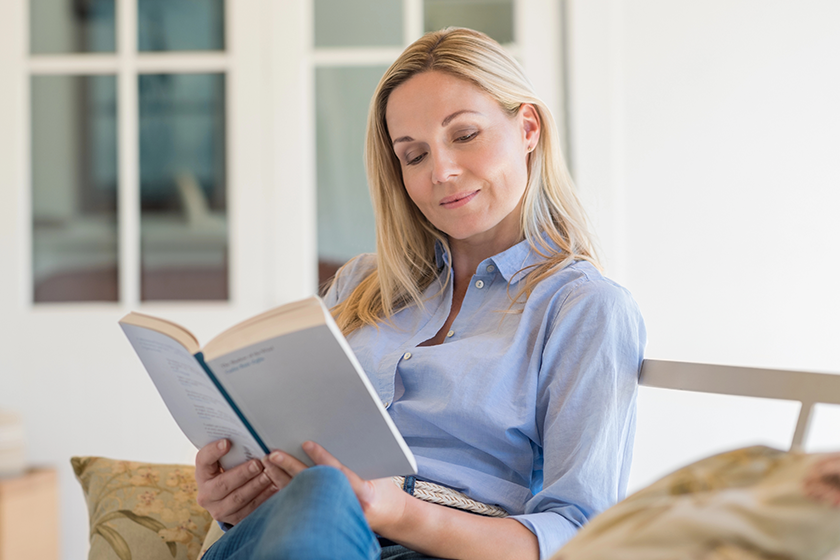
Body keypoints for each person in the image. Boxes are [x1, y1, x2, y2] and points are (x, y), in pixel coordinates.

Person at [196, 27, 646, 560]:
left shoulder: (582, 308)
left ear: (528, 128)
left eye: (465, 135)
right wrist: (239, 498)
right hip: (299, 535)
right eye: (413, 156)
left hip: (437, 548)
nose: (443, 172)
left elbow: (578, 534)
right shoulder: (359, 286)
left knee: (326, 494)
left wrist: (395, 512)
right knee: (318, 497)